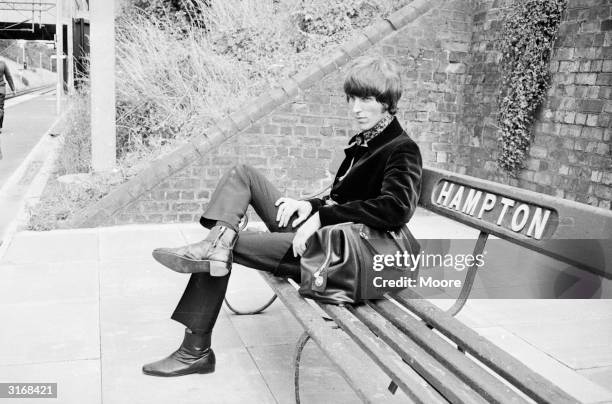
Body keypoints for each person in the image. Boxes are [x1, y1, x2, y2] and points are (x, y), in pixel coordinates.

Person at [142, 55, 423, 377]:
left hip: (341, 255)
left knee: (224, 252)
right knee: (243, 174)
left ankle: (195, 351)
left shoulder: (401, 148)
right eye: (352, 98)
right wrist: (311, 207)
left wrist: (321, 218)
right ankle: (215, 242)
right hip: (328, 234)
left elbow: (395, 208)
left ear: (387, 103)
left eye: (367, 99)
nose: (356, 108)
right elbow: (343, 197)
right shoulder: (366, 141)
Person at [0, 59, 16, 135]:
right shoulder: (2, 63)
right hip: (1, 90)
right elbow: (8, 76)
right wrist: (13, 89)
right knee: (0, 108)